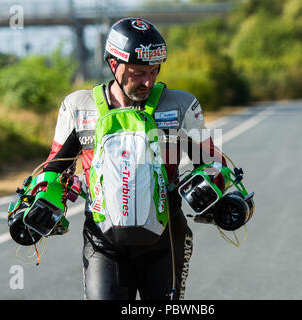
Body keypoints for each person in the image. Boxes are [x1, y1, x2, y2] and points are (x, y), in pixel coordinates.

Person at [41, 17, 227, 300]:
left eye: (154, 71)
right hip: (103, 241)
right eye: (138, 72)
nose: (148, 81)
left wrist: (210, 185)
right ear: (113, 64)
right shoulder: (78, 106)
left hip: (165, 238)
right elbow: (54, 171)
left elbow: (214, 164)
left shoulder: (180, 105)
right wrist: (42, 202)